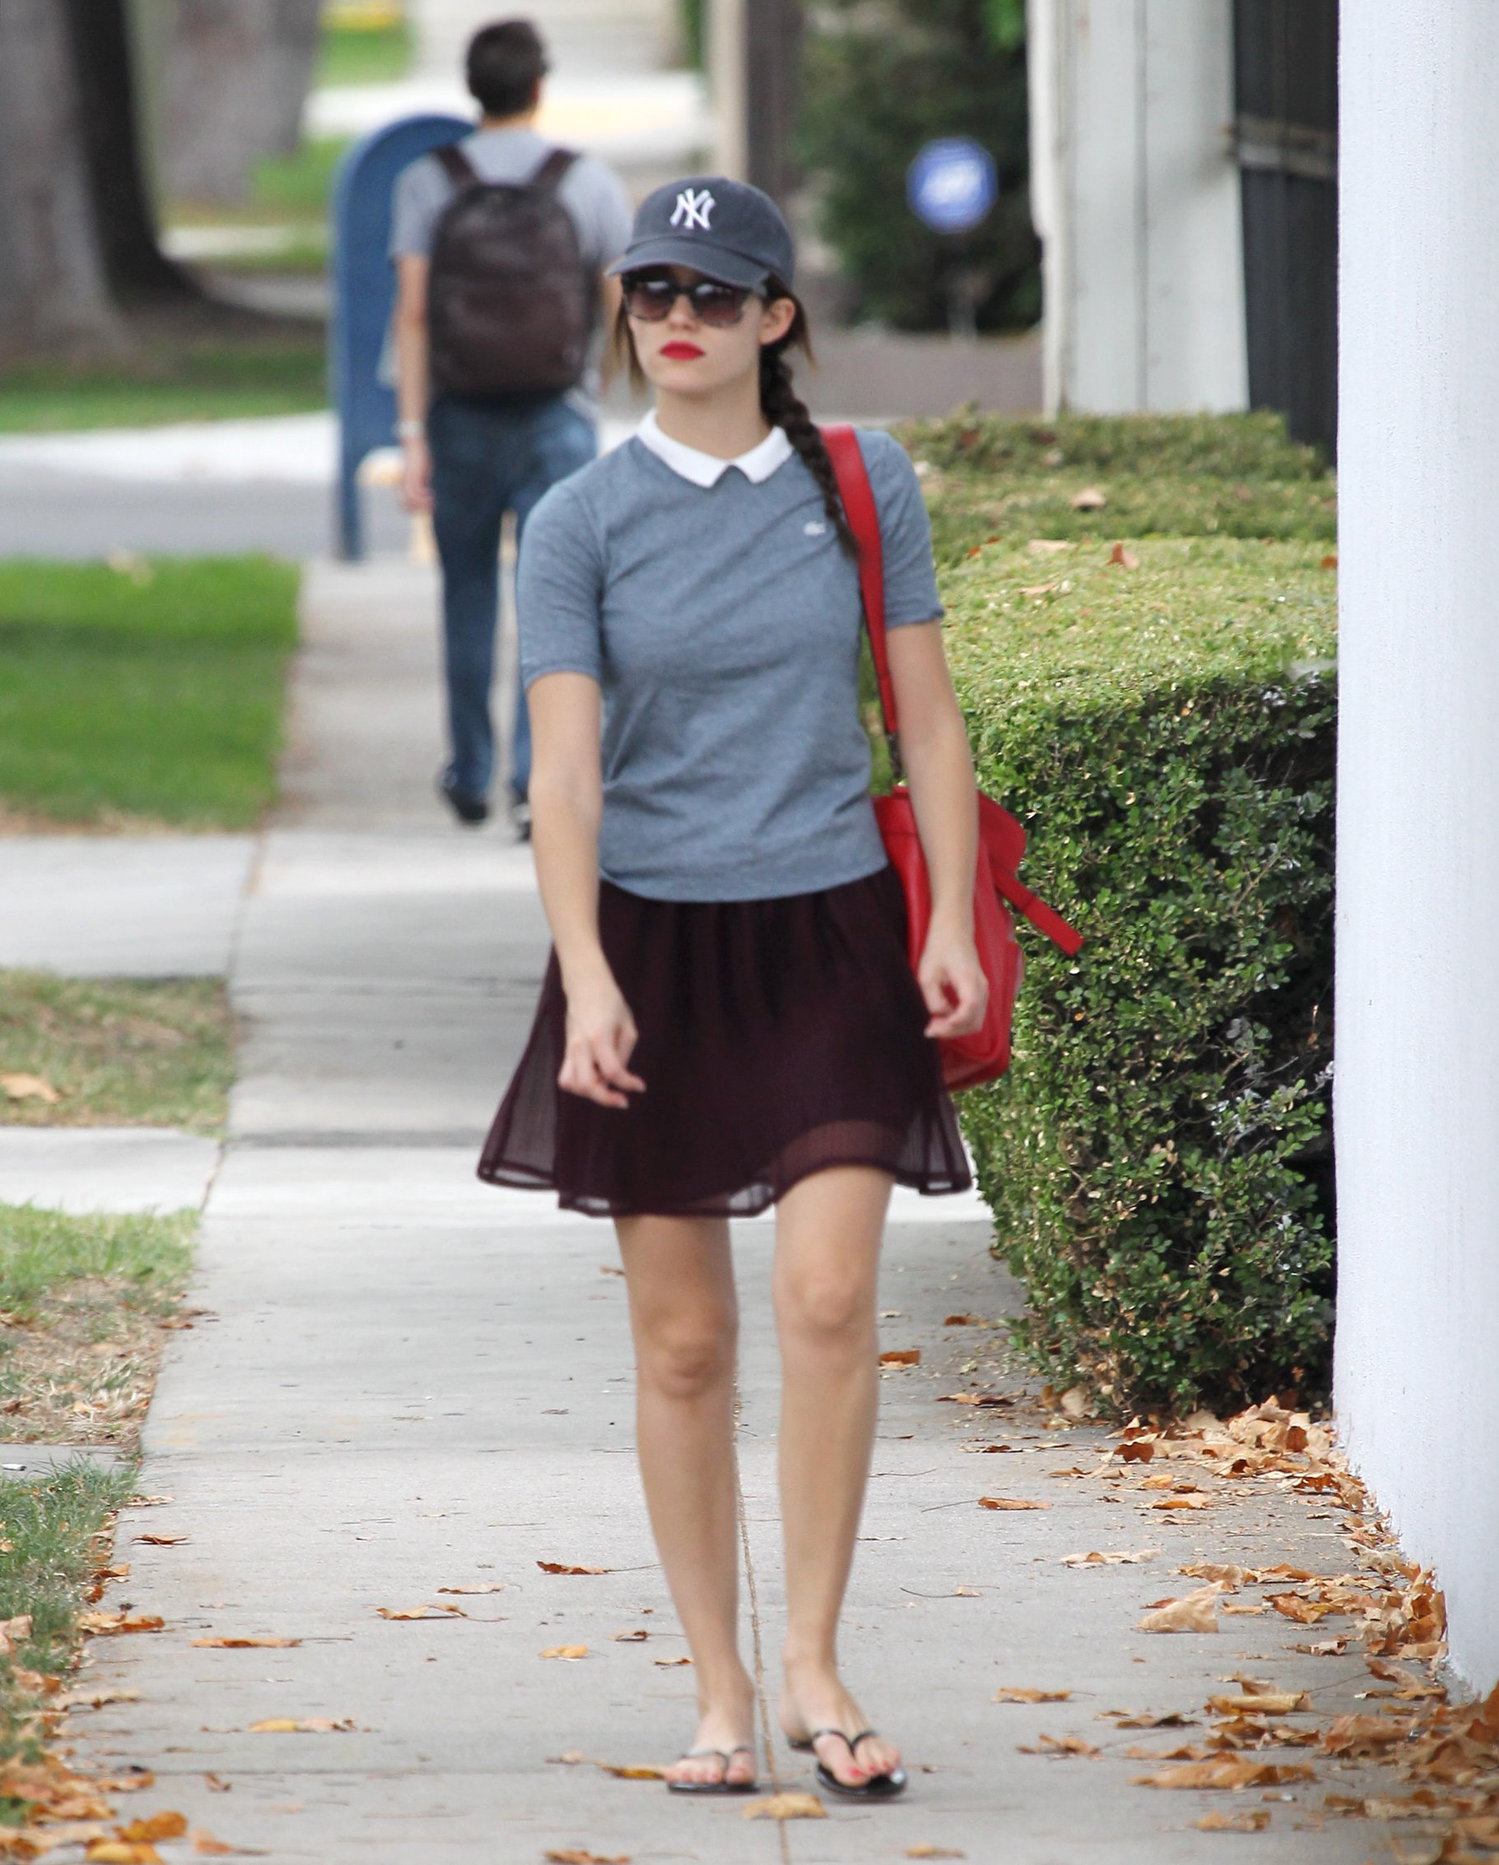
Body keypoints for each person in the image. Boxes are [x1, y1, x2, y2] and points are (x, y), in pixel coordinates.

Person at [477, 177, 986, 1798]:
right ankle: (717, 1690)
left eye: (711, 287)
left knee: (831, 1300)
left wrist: (951, 918)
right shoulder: (578, 520)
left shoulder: (858, 482)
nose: (673, 315)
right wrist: (585, 973)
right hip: (654, 947)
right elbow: (563, 776)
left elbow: (922, 718)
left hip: (832, 931)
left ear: (777, 317)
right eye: (647, 289)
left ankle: (816, 1670)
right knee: (683, 1344)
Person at [390, 19, 632, 835]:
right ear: (540, 86)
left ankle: (468, 768)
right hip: (554, 417)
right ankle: (536, 781)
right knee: (553, 602)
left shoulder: (430, 181)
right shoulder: (585, 181)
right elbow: (619, 308)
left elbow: (416, 313)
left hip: (458, 418)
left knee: (464, 590)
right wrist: (590, 388)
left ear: (472, 89)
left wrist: (412, 432)